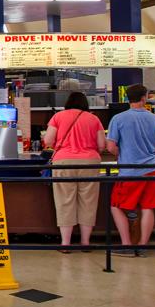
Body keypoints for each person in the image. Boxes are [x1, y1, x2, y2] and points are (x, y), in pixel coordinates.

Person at [106, 84, 155, 257]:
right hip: (153, 170)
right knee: (148, 208)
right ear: (144, 97)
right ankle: (143, 246)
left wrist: (122, 153)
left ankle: (126, 245)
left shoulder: (118, 118)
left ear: (127, 98)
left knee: (116, 206)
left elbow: (111, 146)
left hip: (129, 170)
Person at [43, 92, 106, 252]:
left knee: (65, 201)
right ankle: (85, 242)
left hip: (64, 161)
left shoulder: (58, 117)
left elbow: (48, 141)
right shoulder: (94, 119)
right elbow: (101, 145)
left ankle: (66, 243)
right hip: (90, 162)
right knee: (88, 202)